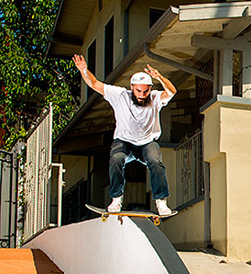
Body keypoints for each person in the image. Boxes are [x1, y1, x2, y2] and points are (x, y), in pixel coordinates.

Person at [72, 54, 177, 215]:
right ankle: (116, 199)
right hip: (124, 142)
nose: (142, 95)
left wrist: (160, 77)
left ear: (150, 89)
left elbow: (171, 91)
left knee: (156, 162)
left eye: (146, 91)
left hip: (147, 143)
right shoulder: (119, 95)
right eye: (138, 91)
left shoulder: (155, 97)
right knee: (115, 159)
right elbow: (94, 83)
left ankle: (161, 202)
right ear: (132, 87)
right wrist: (84, 70)